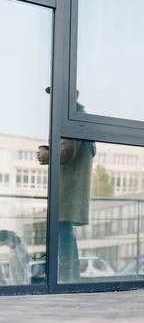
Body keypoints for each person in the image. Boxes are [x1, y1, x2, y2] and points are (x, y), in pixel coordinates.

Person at [38, 87, 95, 283]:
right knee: (66, 236)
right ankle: (69, 279)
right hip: (72, 189)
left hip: (68, 189)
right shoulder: (79, 116)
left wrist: (45, 154)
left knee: (63, 237)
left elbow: (66, 151)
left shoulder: (72, 117)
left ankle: (63, 281)